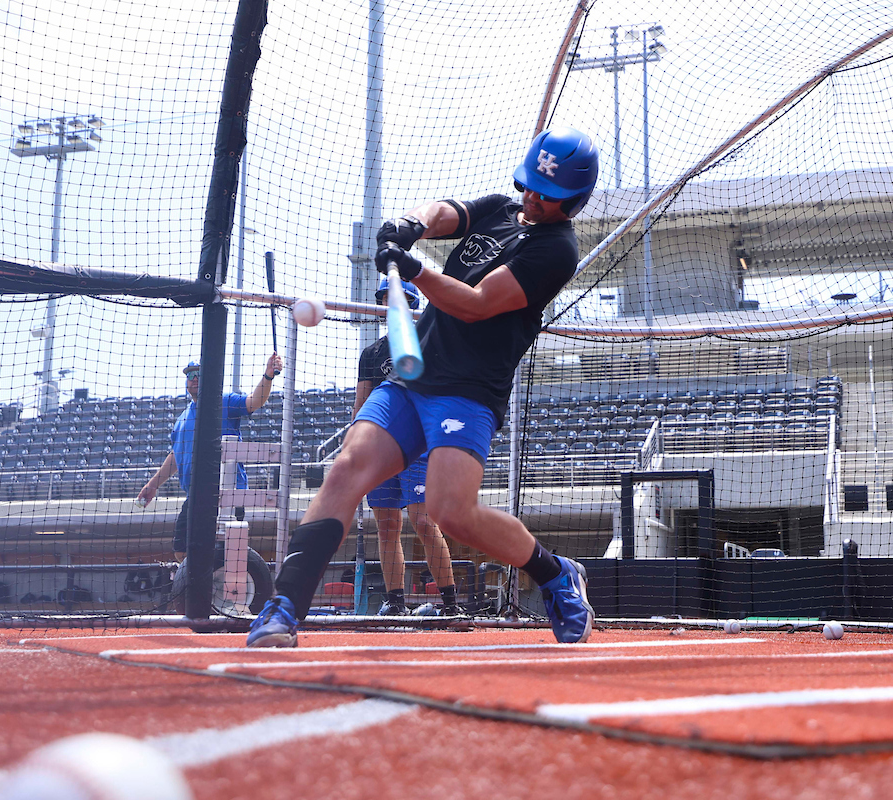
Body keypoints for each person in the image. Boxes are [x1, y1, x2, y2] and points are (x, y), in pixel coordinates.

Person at [247, 126, 599, 647]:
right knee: (346, 469)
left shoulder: (557, 251)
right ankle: (284, 606)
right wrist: (408, 227)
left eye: (546, 195)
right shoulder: (503, 207)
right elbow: (445, 212)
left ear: (574, 200)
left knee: (450, 512)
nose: (532, 197)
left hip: (469, 390)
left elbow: (476, 303)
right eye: (530, 185)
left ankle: (555, 574)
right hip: (413, 377)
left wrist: (412, 268)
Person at [357, 278, 462, 616]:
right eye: (386, 300)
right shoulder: (371, 353)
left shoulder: (429, 342)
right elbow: (361, 403)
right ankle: (395, 603)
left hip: (418, 445)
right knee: (387, 526)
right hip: (380, 449)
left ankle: (450, 604)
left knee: (423, 521)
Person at [138, 353, 283, 559]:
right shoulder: (182, 419)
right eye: (191, 375)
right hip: (196, 495)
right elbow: (176, 456)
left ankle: (226, 588)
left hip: (229, 493)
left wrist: (268, 376)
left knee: (226, 552)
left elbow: (254, 402)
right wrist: (152, 485)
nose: (195, 378)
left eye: (199, 373)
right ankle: (205, 589)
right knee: (182, 552)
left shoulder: (224, 402)